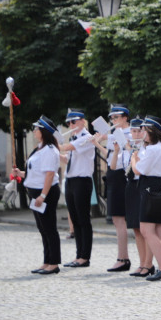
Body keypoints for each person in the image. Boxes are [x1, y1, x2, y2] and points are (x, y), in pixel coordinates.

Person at [13, 116, 62, 275]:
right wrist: (20, 173)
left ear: (44, 131)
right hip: (35, 191)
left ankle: (54, 263)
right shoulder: (39, 148)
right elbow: (35, 171)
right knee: (43, 229)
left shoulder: (49, 150)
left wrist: (42, 195)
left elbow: (49, 175)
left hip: (45, 192)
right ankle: (47, 261)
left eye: (36, 128)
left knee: (49, 228)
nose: (34, 131)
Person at [132, 116, 161, 282]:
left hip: (150, 187)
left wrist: (134, 158)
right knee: (158, 231)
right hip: (157, 186)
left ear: (152, 132)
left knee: (147, 230)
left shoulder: (153, 149)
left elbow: (138, 170)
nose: (142, 133)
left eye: (145, 130)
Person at [57, 108, 99, 268]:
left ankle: (84, 257)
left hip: (82, 181)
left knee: (83, 219)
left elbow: (68, 148)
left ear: (82, 121)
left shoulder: (87, 138)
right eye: (69, 122)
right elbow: (69, 158)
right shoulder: (75, 138)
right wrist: (58, 154)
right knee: (74, 219)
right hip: (71, 180)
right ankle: (78, 255)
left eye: (73, 121)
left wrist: (55, 144)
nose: (71, 125)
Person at [124, 118, 155, 277]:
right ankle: (142, 262)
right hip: (131, 186)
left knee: (146, 229)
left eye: (138, 131)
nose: (136, 134)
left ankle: (148, 264)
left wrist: (133, 154)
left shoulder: (146, 149)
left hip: (142, 186)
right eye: (133, 131)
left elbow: (141, 168)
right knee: (136, 228)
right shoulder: (131, 148)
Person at [104, 105, 133, 272]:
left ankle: (123, 258)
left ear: (124, 117)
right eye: (112, 118)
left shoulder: (131, 133)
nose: (113, 121)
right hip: (113, 173)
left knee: (120, 218)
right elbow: (110, 156)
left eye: (116, 117)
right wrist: (97, 142)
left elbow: (126, 157)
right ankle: (122, 256)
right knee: (116, 218)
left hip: (123, 175)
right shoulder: (113, 134)